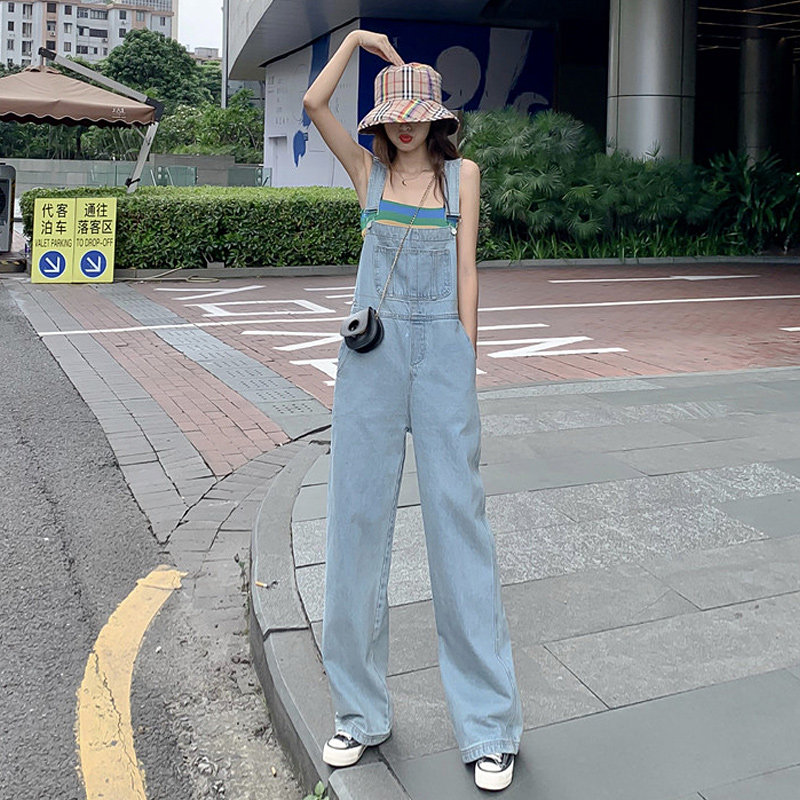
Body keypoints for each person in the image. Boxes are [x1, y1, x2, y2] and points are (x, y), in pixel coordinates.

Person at [302, 29, 523, 792]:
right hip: (371, 360)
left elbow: (468, 272)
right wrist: (357, 40)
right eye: (393, 114)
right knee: (354, 525)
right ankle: (357, 714)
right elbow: (313, 103)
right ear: (381, 121)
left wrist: (464, 356)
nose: (404, 126)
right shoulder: (367, 173)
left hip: (442, 357)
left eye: (416, 114)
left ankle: (489, 727)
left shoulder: (464, 178)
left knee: (460, 528)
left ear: (437, 119)